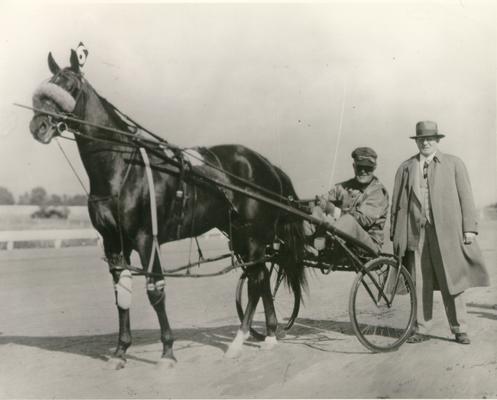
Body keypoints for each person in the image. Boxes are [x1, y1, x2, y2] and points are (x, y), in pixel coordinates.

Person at [390, 120, 490, 344]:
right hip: (416, 233)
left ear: (437, 140)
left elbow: (466, 197)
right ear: (416, 142)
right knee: (419, 280)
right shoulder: (406, 167)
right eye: (421, 139)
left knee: (452, 279)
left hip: (447, 233)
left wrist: (469, 229)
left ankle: (459, 328)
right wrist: (395, 233)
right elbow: (396, 203)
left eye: (429, 139)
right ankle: (421, 328)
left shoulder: (453, 164)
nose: (425, 143)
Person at [305, 147, 389, 255]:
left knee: (349, 220)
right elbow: (324, 200)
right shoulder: (344, 187)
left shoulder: (378, 192)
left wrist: (332, 210)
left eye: (367, 168)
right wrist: (317, 205)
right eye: (360, 167)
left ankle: (320, 244)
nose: (363, 171)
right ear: (354, 166)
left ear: (374, 168)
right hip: (342, 239)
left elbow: (362, 219)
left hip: (367, 245)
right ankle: (307, 243)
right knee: (315, 210)